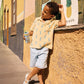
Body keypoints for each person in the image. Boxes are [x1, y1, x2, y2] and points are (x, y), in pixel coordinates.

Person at [23, 1, 66, 84]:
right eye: (43, 10)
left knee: (40, 66)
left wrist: (62, 11)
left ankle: (28, 77)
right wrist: (26, 35)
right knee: (39, 67)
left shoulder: (53, 23)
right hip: (34, 47)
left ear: (52, 16)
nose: (42, 12)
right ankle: (41, 81)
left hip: (44, 48)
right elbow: (32, 32)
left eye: (45, 12)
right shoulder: (37, 20)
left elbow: (63, 23)